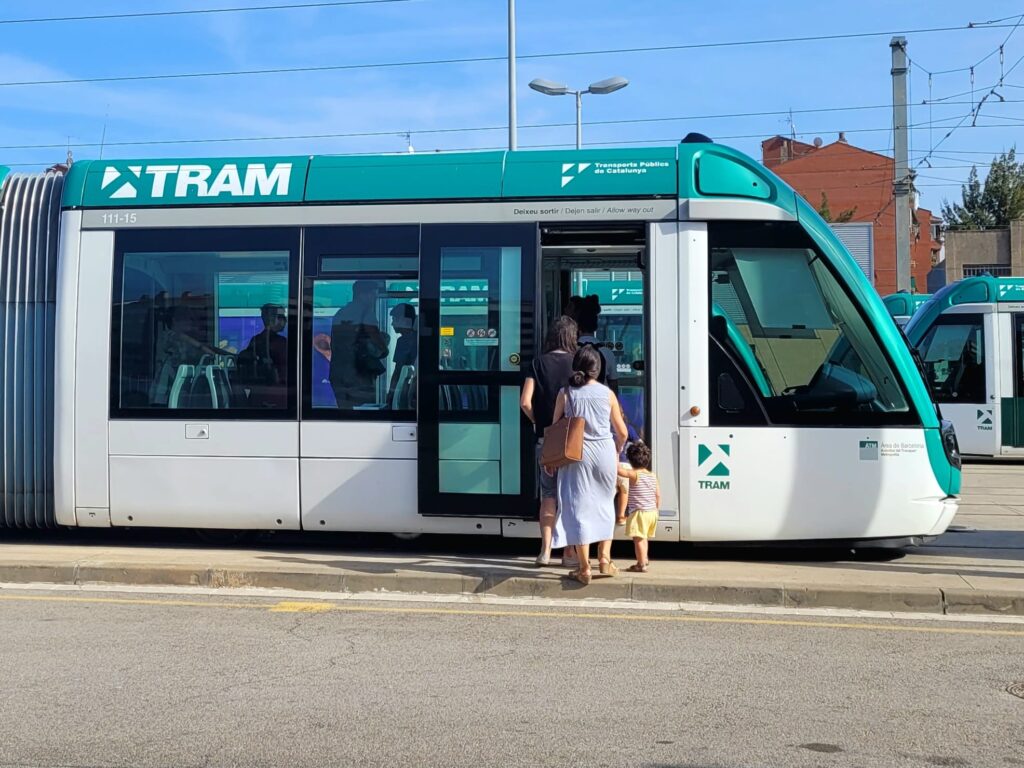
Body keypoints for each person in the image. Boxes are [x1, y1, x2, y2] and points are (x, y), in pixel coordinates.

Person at [550, 345, 629, 585]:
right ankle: (605, 559)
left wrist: (551, 460)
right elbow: (622, 432)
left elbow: (556, 428)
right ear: (598, 369)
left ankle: (584, 568)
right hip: (604, 453)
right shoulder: (607, 394)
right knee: (605, 505)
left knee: (579, 510)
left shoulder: (566, 393)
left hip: (577, 456)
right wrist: (615, 450)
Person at [520, 316, 578, 567]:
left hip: (546, 439)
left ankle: (545, 550)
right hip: (574, 441)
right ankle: (569, 554)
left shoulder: (538, 364)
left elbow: (525, 401)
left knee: (548, 494)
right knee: (572, 495)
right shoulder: (577, 363)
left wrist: (537, 421)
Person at [329, 280, 389, 409]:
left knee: (345, 414)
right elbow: (374, 335)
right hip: (359, 375)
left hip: (338, 373)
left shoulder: (340, 313)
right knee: (364, 413)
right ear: (363, 294)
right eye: (373, 295)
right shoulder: (366, 312)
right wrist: (384, 348)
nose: (374, 298)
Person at [617, 441, 661, 573]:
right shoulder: (652, 475)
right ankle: (644, 559)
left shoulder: (634, 474)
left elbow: (618, 470)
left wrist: (616, 454)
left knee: (638, 540)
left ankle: (641, 564)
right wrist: (656, 510)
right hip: (652, 512)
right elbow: (658, 495)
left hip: (639, 513)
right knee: (644, 538)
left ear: (630, 460)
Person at [236, 303, 288, 408]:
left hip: (257, 395)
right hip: (278, 396)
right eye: (282, 317)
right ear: (273, 319)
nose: (285, 321)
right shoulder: (281, 343)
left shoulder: (255, 340)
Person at [573, 294, 619, 390]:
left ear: (577, 326)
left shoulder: (571, 351)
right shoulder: (607, 352)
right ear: (595, 327)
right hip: (602, 402)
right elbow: (613, 384)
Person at [387, 303, 418, 408]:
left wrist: (390, 395)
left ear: (404, 320)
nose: (392, 324)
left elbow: (398, 371)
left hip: (408, 392)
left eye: (394, 319)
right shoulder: (418, 338)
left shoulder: (404, 341)